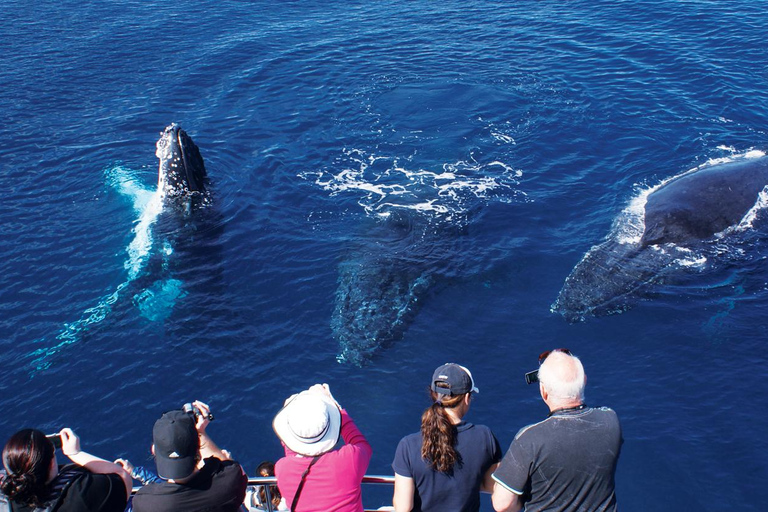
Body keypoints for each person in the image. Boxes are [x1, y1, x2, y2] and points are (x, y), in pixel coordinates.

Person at [491, 349, 622, 512]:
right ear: (585, 381)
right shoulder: (611, 421)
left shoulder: (529, 439)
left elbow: (502, 504)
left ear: (543, 391)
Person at [391, 363, 502, 512]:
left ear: (433, 394)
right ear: (467, 398)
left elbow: (403, 507)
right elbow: (491, 486)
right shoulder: (485, 437)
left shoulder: (407, 445)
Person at [130, 400, 247, 512]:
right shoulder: (229, 483)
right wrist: (201, 432)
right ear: (198, 448)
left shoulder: (144, 503)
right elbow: (229, 467)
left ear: (153, 450)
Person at [273, 383, 371, 512]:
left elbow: (292, 453)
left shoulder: (282, 468)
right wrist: (335, 405)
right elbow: (361, 444)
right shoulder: (349, 459)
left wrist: (292, 414)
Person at [0, 427, 130, 512]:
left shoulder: (4, 499)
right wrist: (75, 453)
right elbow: (123, 478)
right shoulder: (83, 493)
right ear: (51, 464)